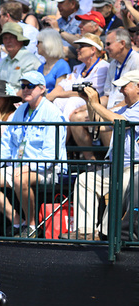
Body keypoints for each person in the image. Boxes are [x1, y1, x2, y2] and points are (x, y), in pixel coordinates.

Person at [0, 71, 67, 238]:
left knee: (20, 179)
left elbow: (51, 154)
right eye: (23, 86)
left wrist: (28, 166)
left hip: (46, 169)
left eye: (30, 86)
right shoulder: (20, 111)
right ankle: (17, 220)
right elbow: (6, 144)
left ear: (42, 89)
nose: (25, 89)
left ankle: (31, 225)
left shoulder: (52, 113)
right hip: (19, 166)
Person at [68, 69, 139, 240]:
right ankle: (85, 231)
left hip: (135, 169)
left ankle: (107, 235)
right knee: (85, 180)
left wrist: (97, 104)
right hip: (117, 167)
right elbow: (98, 125)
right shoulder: (124, 108)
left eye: (125, 87)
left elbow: (121, 123)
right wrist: (90, 103)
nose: (121, 91)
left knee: (119, 186)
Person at [69, 28, 139, 159]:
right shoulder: (112, 64)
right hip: (114, 109)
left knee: (109, 119)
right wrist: (89, 103)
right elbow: (107, 96)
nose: (105, 48)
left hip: (127, 109)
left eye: (108, 44)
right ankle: (92, 160)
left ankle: (112, 162)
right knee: (77, 117)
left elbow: (133, 96)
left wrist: (104, 110)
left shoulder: (137, 60)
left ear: (122, 43)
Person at [48, 34, 109, 120]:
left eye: (81, 47)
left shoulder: (103, 67)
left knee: (73, 101)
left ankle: (63, 132)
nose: (77, 49)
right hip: (77, 100)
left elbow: (88, 93)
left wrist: (57, 94)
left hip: (93, 104)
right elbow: (63, 85)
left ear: (93, 49)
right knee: (57, 101)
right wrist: (51, 95)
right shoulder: (78, 68)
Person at [0, 22, 42, 88]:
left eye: (11, 37)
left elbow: (27, 90)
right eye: (5, 38)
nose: (8, 41)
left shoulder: (30, 61)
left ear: (20, 40)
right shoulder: (4, 62)